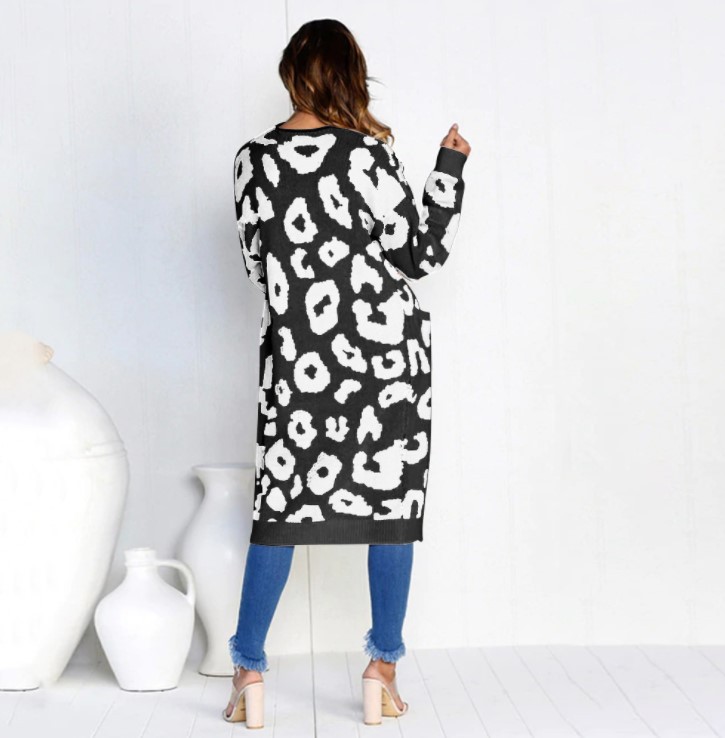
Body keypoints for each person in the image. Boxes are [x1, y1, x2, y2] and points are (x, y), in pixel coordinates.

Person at [222, 18, 471, 729]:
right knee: (390, 512)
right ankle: (381, 669)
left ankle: (248, 672)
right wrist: (448, 168)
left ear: (292, 74)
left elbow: (259, 265)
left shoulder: (251, 161)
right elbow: (420, 256)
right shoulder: (369, 155)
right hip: (386, 363)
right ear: (350, 75)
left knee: (278, 514)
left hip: (299, 362)